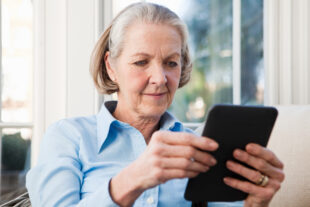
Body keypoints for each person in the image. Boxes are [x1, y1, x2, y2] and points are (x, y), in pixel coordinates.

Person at [26, 2, 284, 207]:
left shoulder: (201, 150)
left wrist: (255, 204)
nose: (160, 79)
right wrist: (132, 179)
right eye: (141, 62)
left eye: (171, 63)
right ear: (111, 66)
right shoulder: (69, 137)